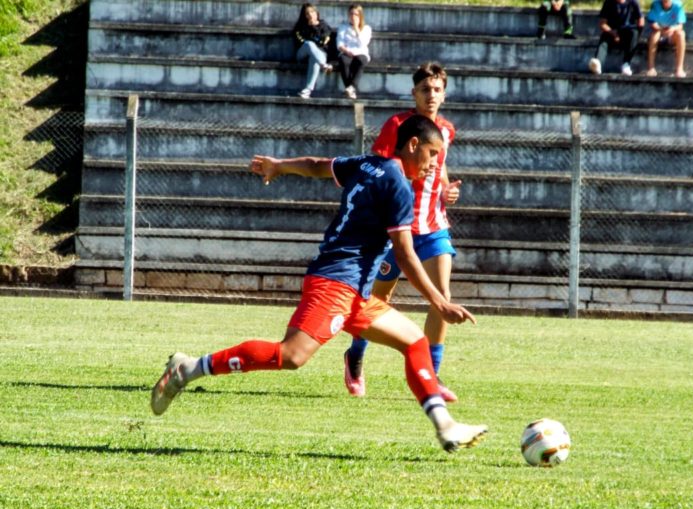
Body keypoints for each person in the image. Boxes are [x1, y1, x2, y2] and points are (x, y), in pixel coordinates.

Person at [150, 115, 489, 453]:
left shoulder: (369, 164)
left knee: (415, 342)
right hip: (337, 282)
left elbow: (317, 165)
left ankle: (446, 427)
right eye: (432, 154)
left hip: (355, 290)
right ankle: (190, 368)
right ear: (413, 145)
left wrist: (279, 166)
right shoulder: (398, 185)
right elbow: (405, 253)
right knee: (292, 355)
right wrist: (439, 302)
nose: (434, 165)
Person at [343, 62, 461, 403]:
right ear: (414, 94)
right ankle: (355, 355)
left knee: (441, 296)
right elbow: (381, 166)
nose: (432, 95)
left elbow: (439, 166)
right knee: (377, 300)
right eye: (425, 90)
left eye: (437, 89)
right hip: (396, 229)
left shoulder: (447, 130)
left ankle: (433, 376)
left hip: (433, 226)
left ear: (444, 93)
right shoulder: (397, 125)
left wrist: (445, 189)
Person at [588, 0, 645, 76]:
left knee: (634, 33)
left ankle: (626, 64)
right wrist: (613, 33)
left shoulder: (633, 2)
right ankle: (597, 64)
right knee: (604, 38)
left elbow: (641, 22)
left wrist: (638, 34)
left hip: (628, 33)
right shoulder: (608, 3)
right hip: (612, 31)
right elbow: (602, 24)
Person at [293, 3, 334, 99]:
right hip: (302, 54)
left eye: (312, 12)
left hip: (320, 54)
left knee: (314, 60)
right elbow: (301, 42)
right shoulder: (300, 27)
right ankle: (324, 65)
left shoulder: (324, 26)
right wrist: (309, 28)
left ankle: (307, 90)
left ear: (317, 13)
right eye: (307, 13)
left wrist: (314, 27)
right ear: (304, 16)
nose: (310, 15)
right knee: (309, 44)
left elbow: (323, 42)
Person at [336, 4, 372, 100]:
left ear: (360, 15)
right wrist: (346, 51)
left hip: (361, 51)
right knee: (343, 61)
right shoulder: (343, 27)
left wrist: (356, 28)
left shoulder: (366, 28)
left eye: (356, 14)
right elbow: (339, 43)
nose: (353, 16)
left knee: (361, 60)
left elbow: (363, 43)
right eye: (351, 14)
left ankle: (351, 87)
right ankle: (351, 89)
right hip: (346, 51)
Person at [646, 0, 687, 78]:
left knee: (681, 34)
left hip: (673, 33)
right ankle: (651, 68)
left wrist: (672, 29)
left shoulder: (678, 5)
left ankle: (679, 68)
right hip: (659, 32)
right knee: (654, 34)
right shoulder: (655, 4)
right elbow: (653, 23)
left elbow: (680, 25)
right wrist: (661, 29)